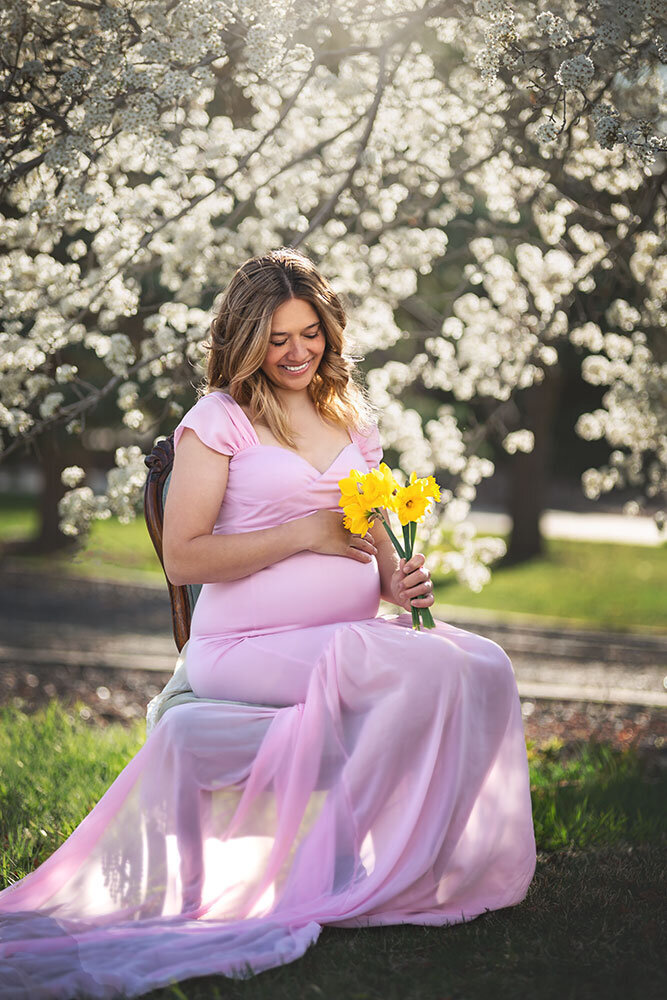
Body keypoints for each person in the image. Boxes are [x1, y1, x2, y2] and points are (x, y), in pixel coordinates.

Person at [0, 248, 536, 999]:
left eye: (309, 333)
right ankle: (358, 880)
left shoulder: (349, 417)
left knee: (480, 663)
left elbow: (372, 536)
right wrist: (303, 536)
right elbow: (185, 557)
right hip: (241, 648)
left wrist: (397, 579)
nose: (296, 352)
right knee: (419, 670)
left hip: (338, 641)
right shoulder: (216, 421)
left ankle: (422, 864)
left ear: (329, 330)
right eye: (277, 337)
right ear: (245, 338)